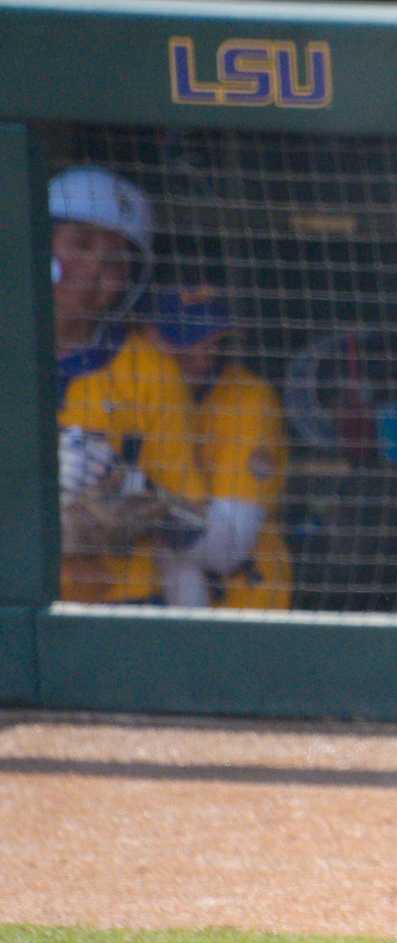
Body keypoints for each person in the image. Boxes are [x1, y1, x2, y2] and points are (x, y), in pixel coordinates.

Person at [49, 164, 209, 606]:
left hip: (121, 605)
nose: (96, 270)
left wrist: (128, 501)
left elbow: (194, 517)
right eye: (80, 244)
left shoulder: (150, 370)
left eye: (116, 260)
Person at [148, 286, 293, 610]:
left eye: (212, 341)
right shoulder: (134, 391)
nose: (203, 357)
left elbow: (230, 548)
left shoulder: (247, 400)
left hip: (245, 602)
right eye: (186, 342)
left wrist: (142, 500)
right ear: (150, 338)